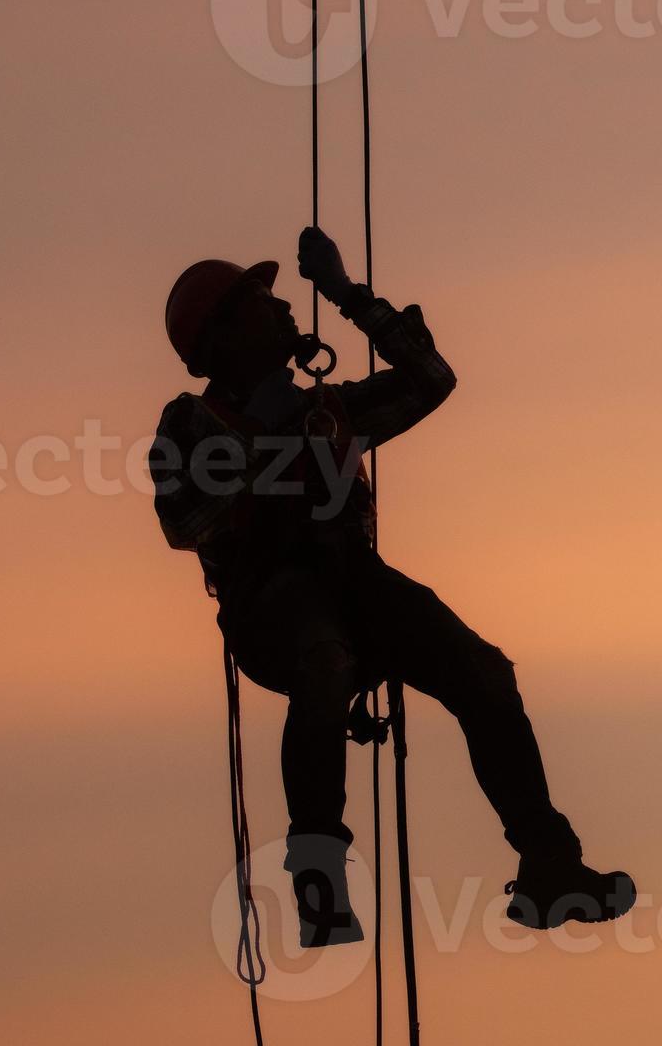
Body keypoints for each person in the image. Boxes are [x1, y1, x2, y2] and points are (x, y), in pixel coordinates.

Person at [151, 228, 634, 944]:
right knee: (323, 660)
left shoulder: (329, 411)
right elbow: (183, 519)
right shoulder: (192, 422)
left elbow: (430, 380)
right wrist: (269, 445)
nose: (284, 308)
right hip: (271, 603)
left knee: (483, 674)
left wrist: (346, 294)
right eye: (262, 301)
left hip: (355, 583)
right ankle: (318, 879)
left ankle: (550, 867)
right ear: (220, 338)